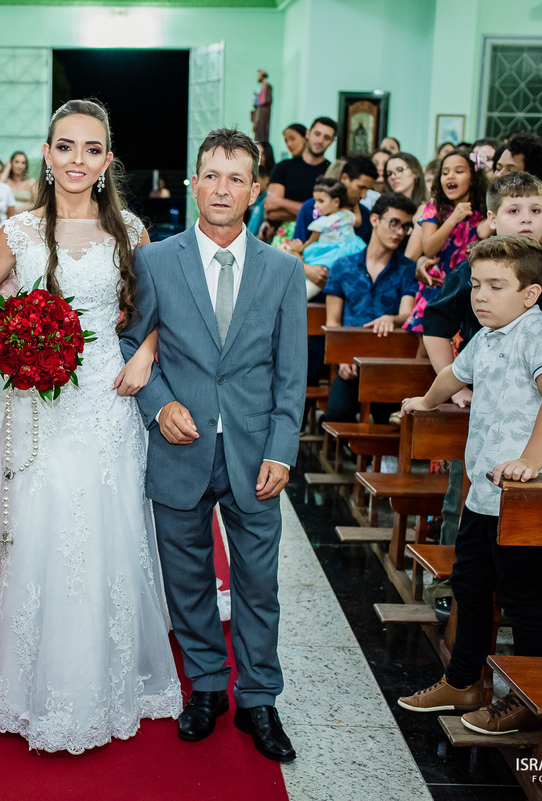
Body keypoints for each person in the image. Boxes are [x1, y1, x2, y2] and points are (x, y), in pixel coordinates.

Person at [0, 98, 181, 754]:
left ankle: (106, 678)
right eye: (65, 146)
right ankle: (34, 683)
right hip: (38, 404)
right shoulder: (18, 232)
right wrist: (7, 344)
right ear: (46, 153)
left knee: (104, 528)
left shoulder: (130, 232)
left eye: (91, 149)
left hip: (106, 396)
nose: (77, 159)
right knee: (43, 527)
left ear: (107, 160)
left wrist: (146, 355)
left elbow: (158, 312)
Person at [120, 128, 306, 763]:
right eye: (211, 175)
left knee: (258, 582)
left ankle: (258, 697)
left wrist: (282, 449)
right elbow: (131, 343)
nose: (222, 188)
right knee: (188, 577)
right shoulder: (155, 261)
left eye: (236, 178)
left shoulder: (283, 270)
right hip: (181, 446)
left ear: (255, 191)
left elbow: (291, 373)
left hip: (256, 453)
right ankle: (205, 686)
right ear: (194, 183)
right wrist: (158, 404)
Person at [399, 235, 542, 736]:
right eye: (476, 285)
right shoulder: (487, 336)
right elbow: (454, 374)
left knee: (522, 601)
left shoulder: (540, 334)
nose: (480, 296)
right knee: (471, 586)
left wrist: (530, 461)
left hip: (524, 496)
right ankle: (463, 681)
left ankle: (528, 699)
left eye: (496, 286)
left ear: (530, 294)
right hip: (484, 493)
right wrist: (427, 401)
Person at [422, 172, 542, 574]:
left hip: (531, 435)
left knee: (519, 558)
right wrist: (443, 393)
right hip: (485, 425)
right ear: (493, 218)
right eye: (514, 211)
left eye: (535, 210)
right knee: (462, 509)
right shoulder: (476, 282)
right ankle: (448, 584)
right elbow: (439, 333)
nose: (526, 219)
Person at [320, 193, 418, 426]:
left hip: (389, 364)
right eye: (394, 223)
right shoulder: (343, 265)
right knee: (338, 415)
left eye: (405, 227)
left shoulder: (407, 268)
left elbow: (407, 314)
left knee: (390, 422)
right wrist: (342, 358)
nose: (399, 232)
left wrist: (391, 319)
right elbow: (333, 321)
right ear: (375, 219)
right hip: (350, 359)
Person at [403, 149, 490, 331]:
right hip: (438, 287)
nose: (450, 176)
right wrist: (453, 219)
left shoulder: (485, 211)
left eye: (459, 171)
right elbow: (429, 249)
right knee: (428, 338)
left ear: (473, 178)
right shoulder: (434, 208)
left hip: (470, 289)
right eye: (445, 172)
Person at [265, 116, 336, 226]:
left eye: (326, 138)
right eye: (317, 134)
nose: (320, 140)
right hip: (282, 234)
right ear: (308, 133)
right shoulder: (283, 167)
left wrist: (281, 202)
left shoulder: (332, 172)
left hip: (317, 235)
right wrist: (311, 212)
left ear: (332, 142)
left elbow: (328, 213)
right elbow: (272, 212)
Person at [300, 178, 364, 270]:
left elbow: (311, 242)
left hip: (329, 257)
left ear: (336, 202)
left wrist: (299, 249)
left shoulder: (321, 222)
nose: (315, 205)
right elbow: (358, 221)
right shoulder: (347, 215)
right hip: (351, 251)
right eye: (315, 201)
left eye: (321, 201)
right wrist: (356, 205)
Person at [252, 69, 272, 143]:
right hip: (258, 111)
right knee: (257, 129)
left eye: (259, 75)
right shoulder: (261, 88)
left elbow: (267, 100)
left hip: (263, 112)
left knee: (262, 130)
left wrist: (258, 99)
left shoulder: (268, 87)